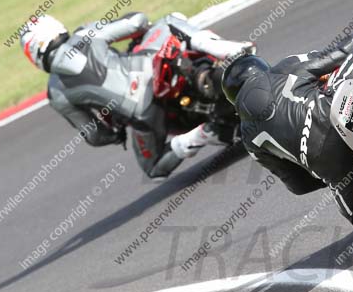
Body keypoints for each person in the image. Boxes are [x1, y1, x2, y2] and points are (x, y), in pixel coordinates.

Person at [221, 30, 353, 230]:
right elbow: (337, 54)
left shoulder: (249, 140)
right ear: (261, 67)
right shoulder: (283, 68)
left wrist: (327, 170)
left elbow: (299, 185)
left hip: (324, 160)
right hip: (334, 111)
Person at [20, 12, 252, 178]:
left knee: (154, 167)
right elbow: (136, 21)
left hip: (142, 115)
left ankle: (200, 135)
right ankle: (228, 49)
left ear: (33, 54)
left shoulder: (56, 93)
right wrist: (141, 32)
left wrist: (115, 134)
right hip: (149, 68)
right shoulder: (85, 35)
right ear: (56, 28)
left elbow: (94, 136)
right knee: (169, 22)